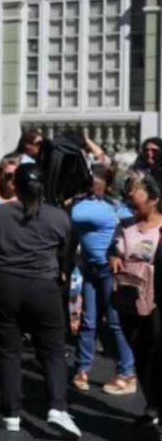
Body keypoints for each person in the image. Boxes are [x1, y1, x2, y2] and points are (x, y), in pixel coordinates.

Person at [0, 164, 80, 437]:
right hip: (43, 287)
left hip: (5, 285)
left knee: (9, 352)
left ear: (15, 186)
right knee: (52, 351)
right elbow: (65, 258)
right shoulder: (59, 217)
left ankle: (10, 413)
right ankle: (58, 407)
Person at [71, 164, 136, 395]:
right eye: (91, 179)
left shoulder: (116, 208)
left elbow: (136, 219)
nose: (93, 183)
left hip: (110, 270)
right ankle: (82, 368)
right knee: (89, 321)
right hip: (90, 268)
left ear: (106, 183)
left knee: (115, 321)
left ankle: (127, 372)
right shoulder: (85, 203)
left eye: (97, 180)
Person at [113, 175, 162, 427]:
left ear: (154, 200)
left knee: (157, 354)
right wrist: (113, 258)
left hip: (156, 302)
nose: (131, 197)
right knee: (140, 353)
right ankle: (152, 405)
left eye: (137, 194)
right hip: (128, 298)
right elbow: (114, 251)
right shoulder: (125, 225)